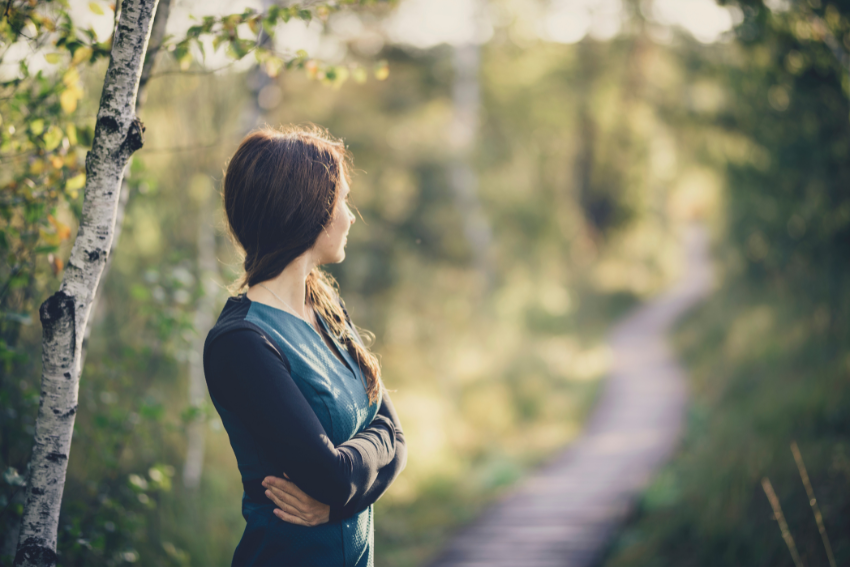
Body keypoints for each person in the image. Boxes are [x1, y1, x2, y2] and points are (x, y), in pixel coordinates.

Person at [203, 126, 407, 567]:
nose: (350, 217)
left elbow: (396, 436)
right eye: (341, 201)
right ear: (307, 210)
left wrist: (338, 501)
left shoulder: (326, 307)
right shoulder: (242, 343)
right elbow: (333, 476)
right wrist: (347, 480)